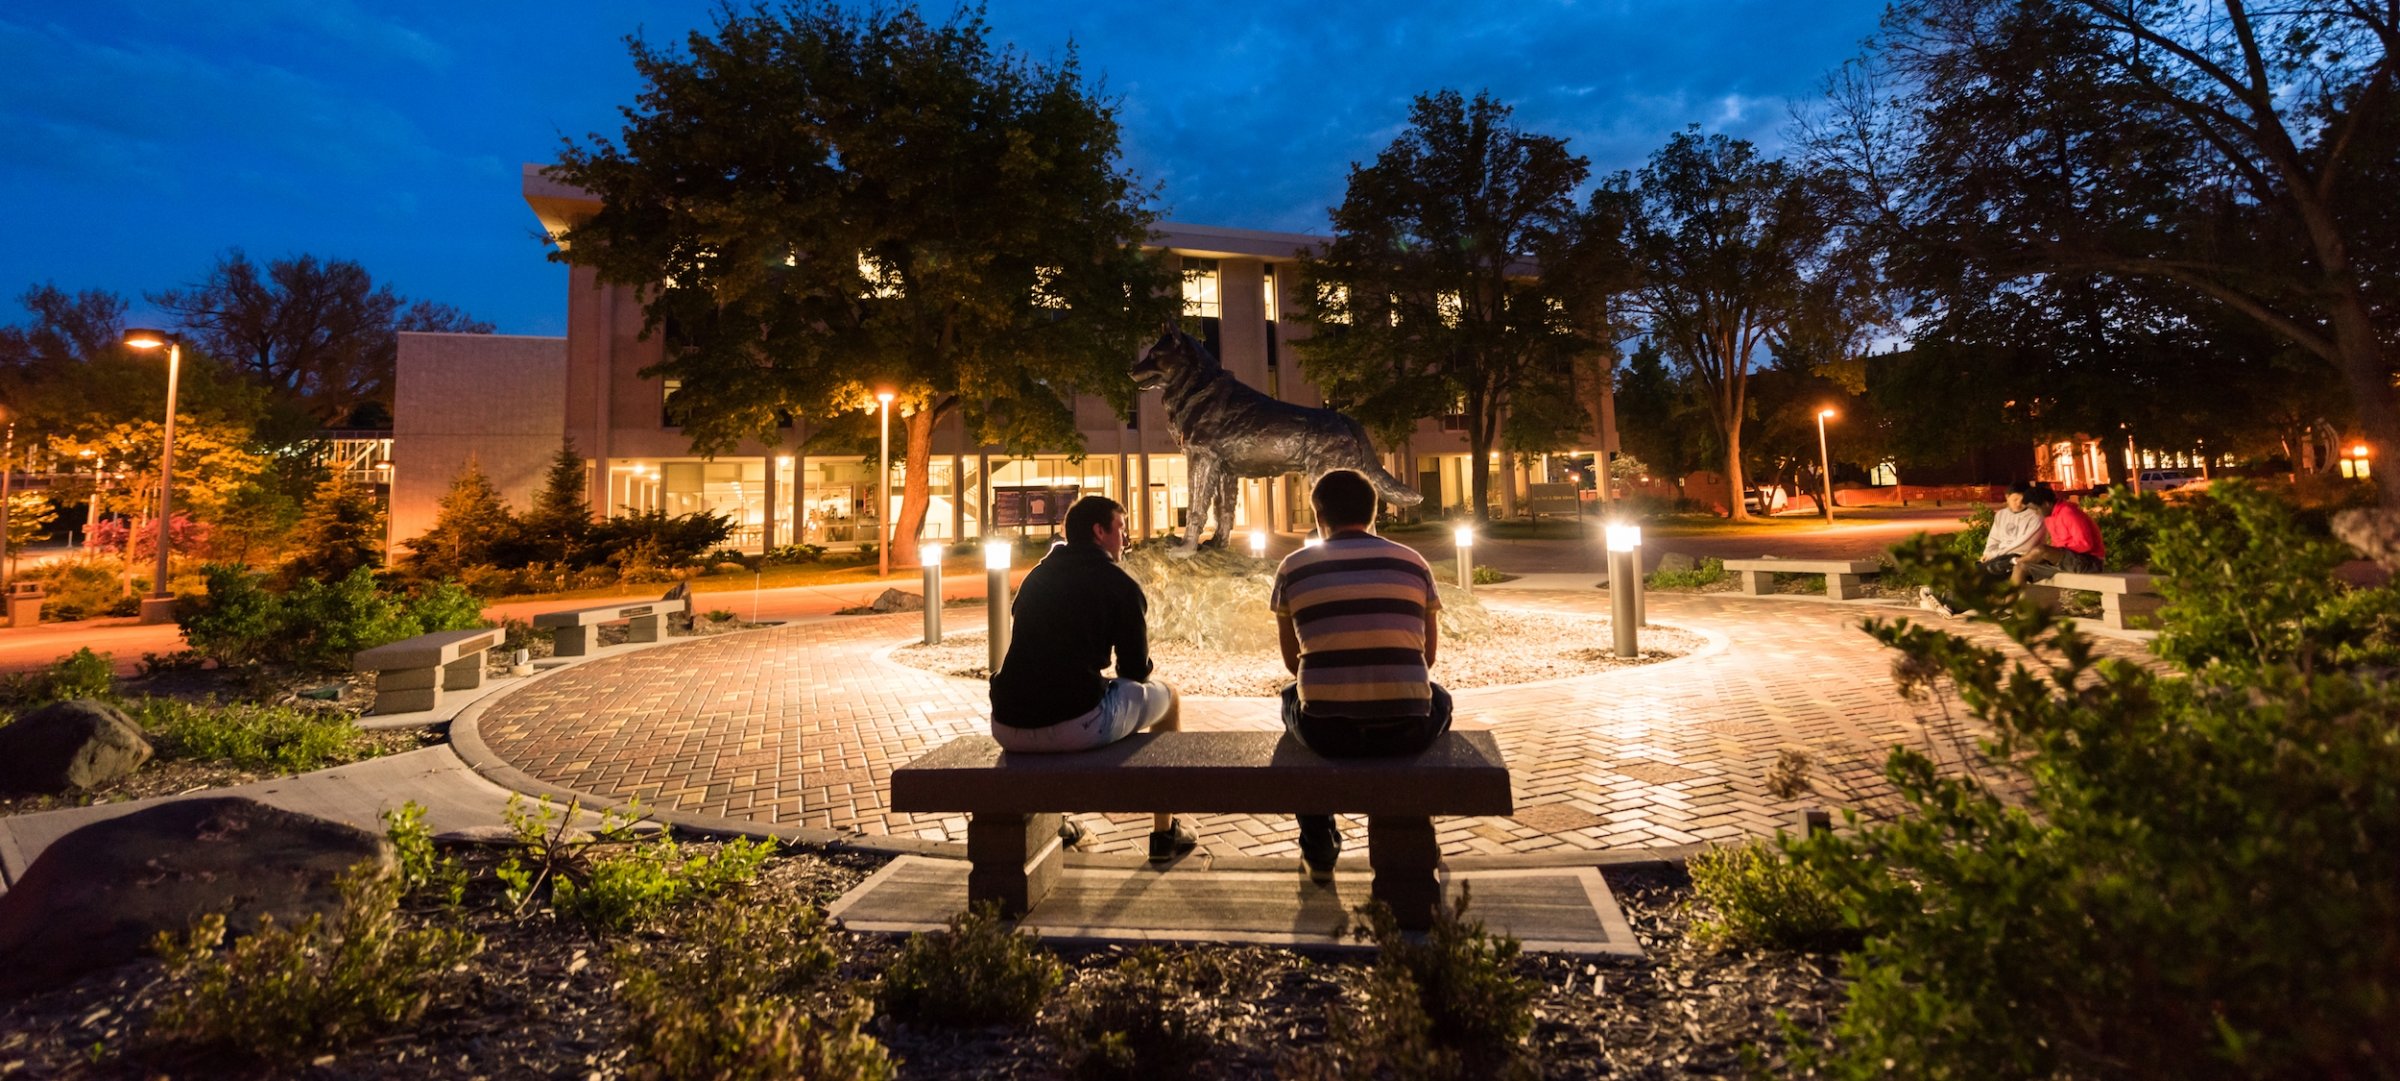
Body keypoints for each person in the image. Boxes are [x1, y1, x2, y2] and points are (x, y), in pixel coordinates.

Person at [1269, 469, 1452, 882]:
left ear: (1319, 516)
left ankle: (1319, 846)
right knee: (1437, 698)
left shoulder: (1294, 567)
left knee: (1290, 699)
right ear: (1375, 513)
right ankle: (1416, 833)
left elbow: (1292, 662)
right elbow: (1428, 656)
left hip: (1328, 731)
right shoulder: (1413, 562)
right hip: (1406, 727)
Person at [988, 495, 1193, 862]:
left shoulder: (1037, 576)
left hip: (1006, 721)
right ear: (1100, 532)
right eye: (1121, 528)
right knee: (1169, 698)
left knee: (1055, 692)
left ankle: (1059, 822)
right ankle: (1166, 832)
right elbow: (1133, 672)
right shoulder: (1119, 584)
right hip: (1073, 723)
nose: (1125, 538)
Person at [1919, 482, 2046, 616]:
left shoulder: (2035, 517)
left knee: (1980, 575)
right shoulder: (2001, 515)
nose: (2018, 503)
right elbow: (1994, 539)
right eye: (2015, 499)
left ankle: (1943, 597)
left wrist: (1995, 555)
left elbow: (2024, 544)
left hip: (2020, 558)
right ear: (2007, 497)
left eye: (2023, 499)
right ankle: (1949, 604)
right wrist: (1988, 553)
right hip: (2000, 558)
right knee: (1977, 574)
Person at [2011, 486, 2106, 583]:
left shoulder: (2069, 512)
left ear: (2046, 504)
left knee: (2041, 550)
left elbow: (2085, 545)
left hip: (2088, 562)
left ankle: (2015, 561)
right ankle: (2006, 597)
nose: (2036, 513)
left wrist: (2058, 551)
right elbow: (2056, 544)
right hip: (2065, 561)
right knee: (2020, 568)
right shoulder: (2049, 517)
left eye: (2036, 509)